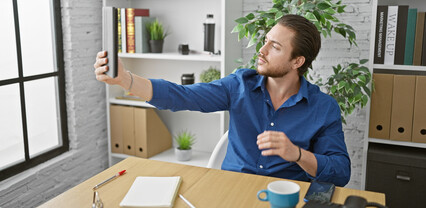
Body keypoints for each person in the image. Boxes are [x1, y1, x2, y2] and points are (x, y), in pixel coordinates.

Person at [94, 14, 351, 187]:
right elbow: (182, 96)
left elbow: (340, 172)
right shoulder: (239, 85)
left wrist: (297, 154)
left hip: (284, 196)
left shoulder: (323, 107)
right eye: (265, 41)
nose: (261, 51)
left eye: (275, 47)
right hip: (231, 190)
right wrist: (125, 80)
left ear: (297, 61)